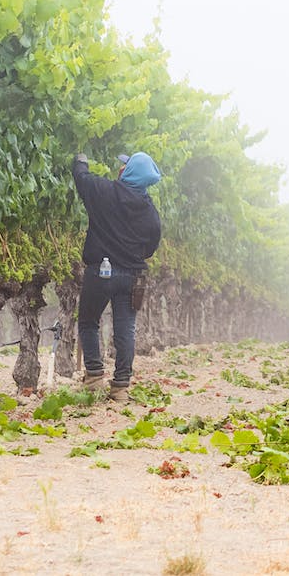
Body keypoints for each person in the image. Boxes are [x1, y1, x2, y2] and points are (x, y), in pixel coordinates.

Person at [73, 151, 163, 403]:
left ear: (127, 172)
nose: (120, 168)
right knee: (126, 331)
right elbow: (151, 246)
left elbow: (82, 178)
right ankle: (120, 387)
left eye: (124, 165)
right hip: (133, 277)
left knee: (89, 321)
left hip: (100, 272)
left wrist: (81, 159)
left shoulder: (104, 192)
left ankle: (93, 377)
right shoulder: (150, 212)